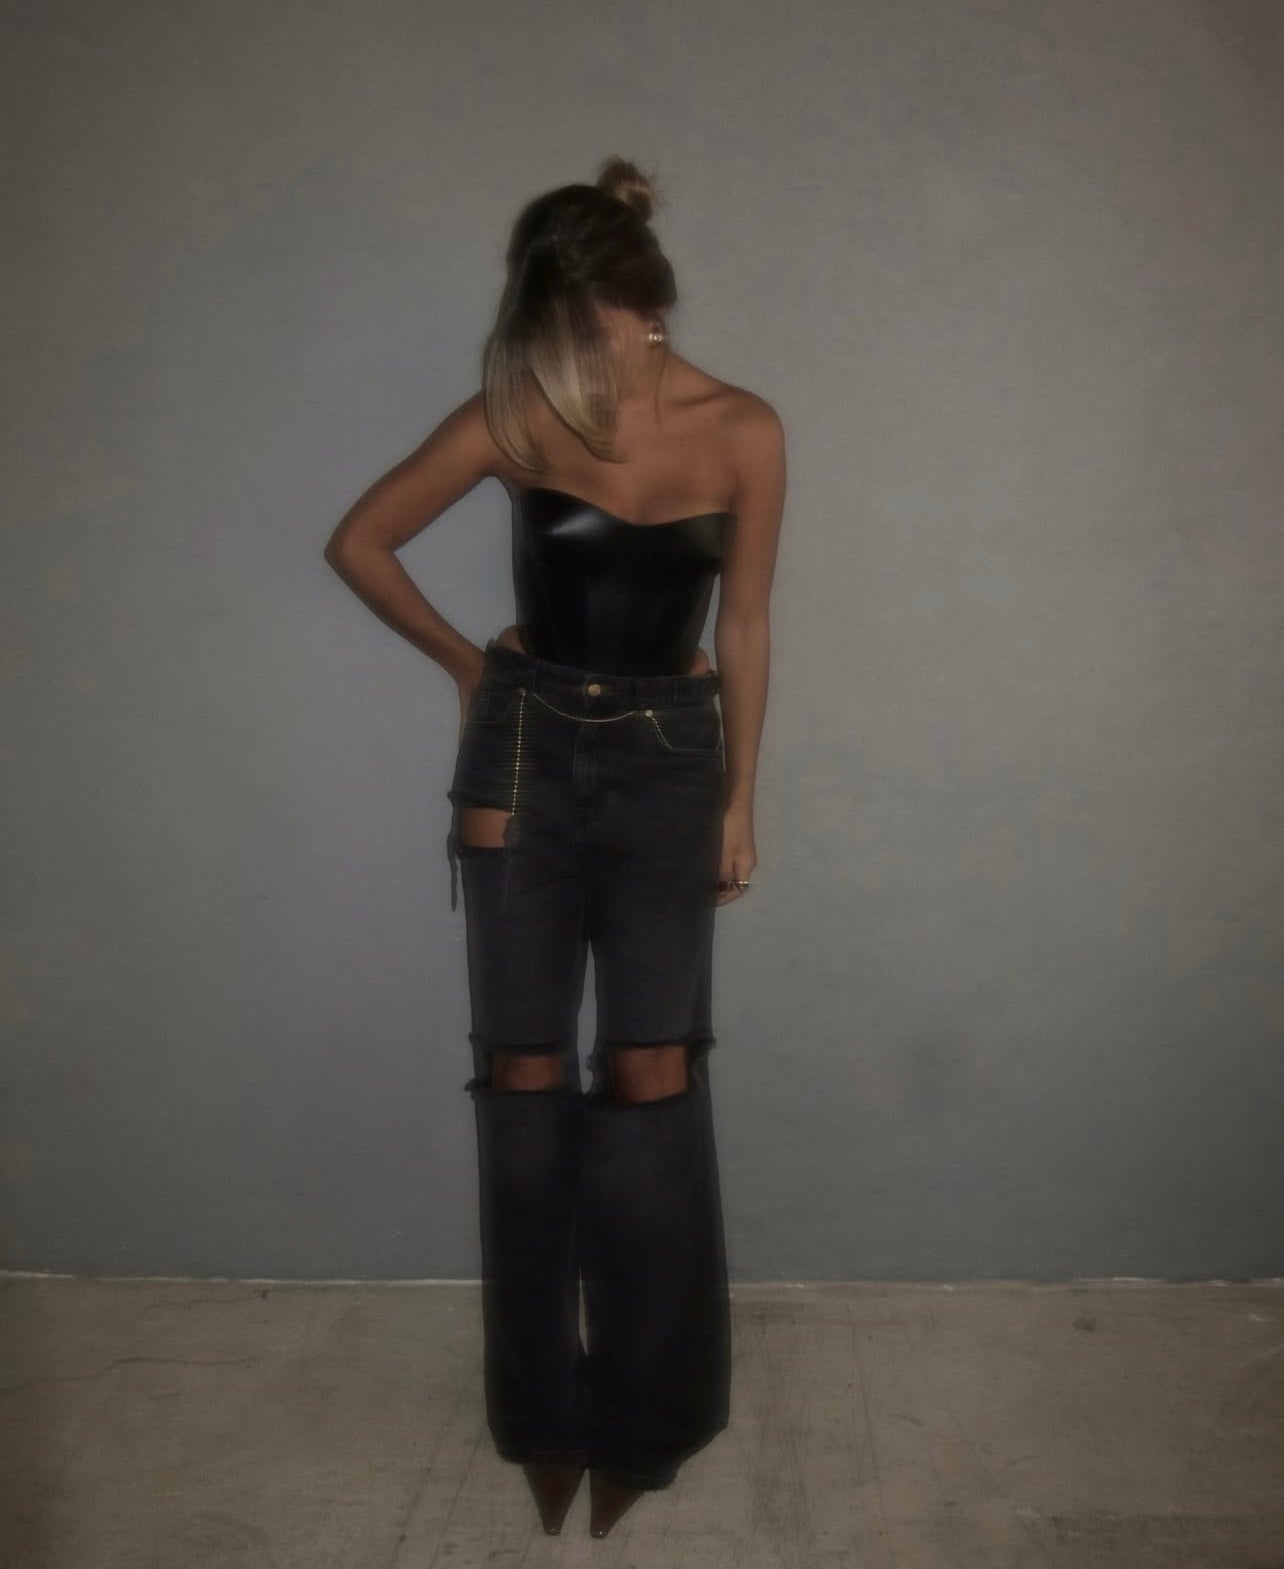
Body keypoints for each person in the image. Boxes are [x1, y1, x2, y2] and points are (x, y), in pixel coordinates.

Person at [323, 155, 785, 1539]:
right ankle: (539, 1414)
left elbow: (745, 623)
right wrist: (472, 666)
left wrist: (740, 799)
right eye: (548, 336)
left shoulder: (744, 427)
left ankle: (654, 1411)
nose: (569, 363)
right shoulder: (519, 415)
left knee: (651, 1074)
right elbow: (362, 541)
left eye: (588, 332)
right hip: (524, 750)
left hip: (669, 759)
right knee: (521, 1079)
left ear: (647, 308)